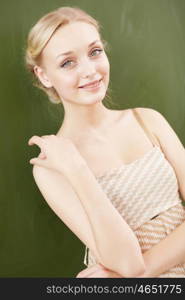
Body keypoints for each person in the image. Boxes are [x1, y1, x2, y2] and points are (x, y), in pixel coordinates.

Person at [26, 6, 185, 278]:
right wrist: (77, 169)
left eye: (94, 52)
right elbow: (126, 263)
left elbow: (132, 271)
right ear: (44, 75)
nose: (89, 71)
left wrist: (129, 277)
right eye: (68, 62)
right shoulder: (51, 167)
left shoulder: (147, 120)